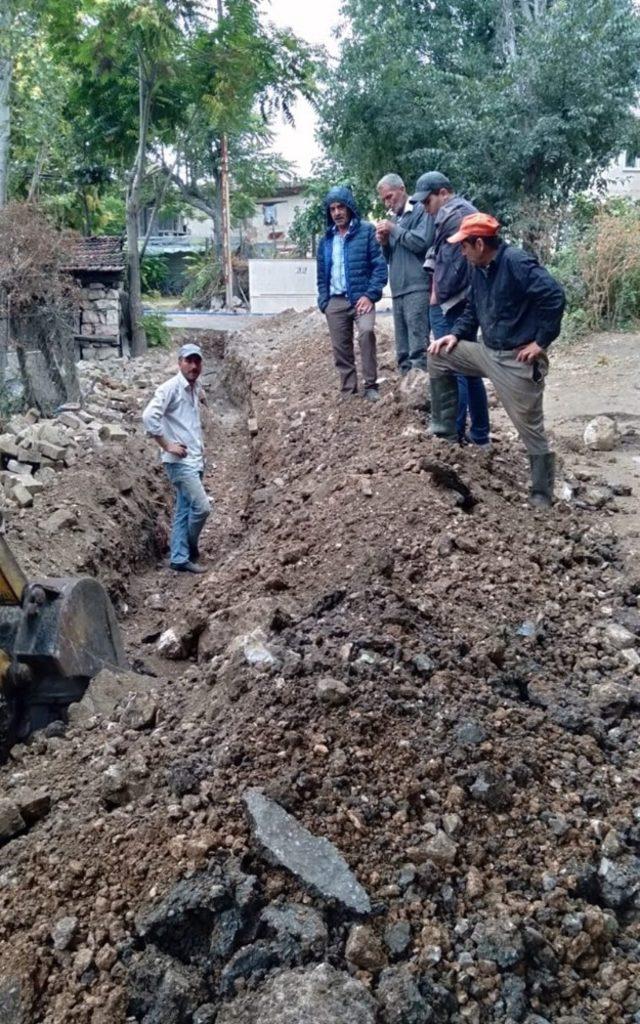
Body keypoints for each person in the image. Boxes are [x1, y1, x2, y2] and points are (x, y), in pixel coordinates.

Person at [427, 212, 566, 507]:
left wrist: (540, 342)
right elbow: (473, 311)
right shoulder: (478, 269)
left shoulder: (515, 262)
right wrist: (455, 334)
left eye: (464, 246)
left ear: (479, 244)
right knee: (438, 356)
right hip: (487, 352)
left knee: (530, 429)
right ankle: (445, 436)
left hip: (516, 360)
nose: (461, 252)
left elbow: (554, 296)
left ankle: (541, 493)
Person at [410, 171, 490, 445]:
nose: (425, 208)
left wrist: (437, 296)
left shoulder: (455, 216)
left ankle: (451, 434)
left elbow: (456, 267)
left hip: (455, 303)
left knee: (452, 367)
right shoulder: (452, 215)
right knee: (468, 370)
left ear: (443, 193)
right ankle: (479, 434)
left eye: (428, 201)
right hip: (456, 301)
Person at [142, 343, 211, 573]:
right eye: (188, 361)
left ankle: (179, 557)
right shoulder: (170, 388)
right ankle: (190, 547)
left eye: (197, 361)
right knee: (202, 508)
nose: (193, 366)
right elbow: (149, 416)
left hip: (194, 459)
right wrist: (167, 445)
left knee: (183, 510)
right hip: (180, 463)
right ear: (179, 362)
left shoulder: (193, 386)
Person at [316, 185, 388, 401]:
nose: (337, 212)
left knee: (366, 333)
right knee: (340, 347)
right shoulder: (326, 240)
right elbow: (321, 274)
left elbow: (379, 267)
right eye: (332, 209)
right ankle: (348, 389)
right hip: (335, 301)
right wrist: (324, 301)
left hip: (361, 299)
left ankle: (371, 385)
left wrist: (370, 295)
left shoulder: (366, 231)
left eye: (340, 207)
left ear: (349, 208)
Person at [375, 173, 433, 375]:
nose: (387, 203)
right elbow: (392, 257)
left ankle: (421, 397)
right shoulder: (395, 219)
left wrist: (393, 229)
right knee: (402, 351)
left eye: (389, 197)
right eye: (383, 200)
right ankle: (407, 399)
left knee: (418, 347)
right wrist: (384, 243)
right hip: (399, 290)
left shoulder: (421, 210)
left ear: (402, 189)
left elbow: (421, 242)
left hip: (417, 287)